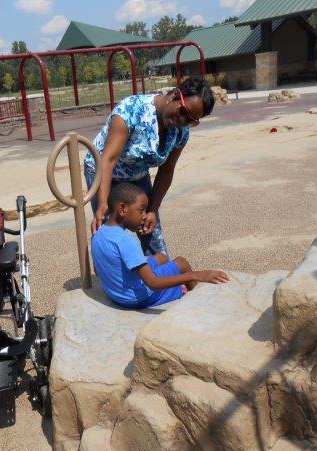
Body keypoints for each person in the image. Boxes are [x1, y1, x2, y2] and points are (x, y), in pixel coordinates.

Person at [85, 76, 215, 256]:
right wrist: (102, 204)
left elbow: (167, 171)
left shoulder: (180, 133)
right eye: (183, 111)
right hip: (103, 169)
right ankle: (109, 274)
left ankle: (157, 275)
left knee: (149, 229)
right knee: (110, 230)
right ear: (175, 95)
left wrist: (153, 209)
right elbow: (108, 159)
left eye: (191, 120)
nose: (182, 120)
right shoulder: (131, 110)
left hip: (137, 174)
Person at [91, 183, 229, 308]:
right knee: (181, 263)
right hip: (139, 298)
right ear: (122, 209)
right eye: (141, 210)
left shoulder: (98, 233)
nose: (144, 216)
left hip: (115, 295)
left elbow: (98, 271)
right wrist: (196, 275)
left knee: (161, 257)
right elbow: (152, 283)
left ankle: (174, 283)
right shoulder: (126, 240)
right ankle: (197, 303)